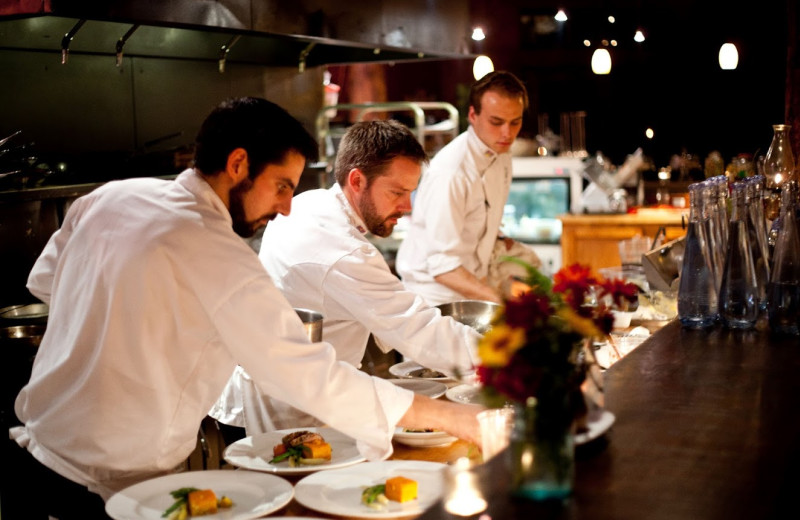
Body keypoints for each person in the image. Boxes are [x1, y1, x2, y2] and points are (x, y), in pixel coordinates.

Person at [5, 97, 481, 519]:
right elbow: (312, 376)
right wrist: (452, 418)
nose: (287, 207)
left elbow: (45, 283)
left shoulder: (113, 195)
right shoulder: (222, 257)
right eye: (280, 186)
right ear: (238, 164)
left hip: (31, 462)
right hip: (106, 489)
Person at [209, 120, 481, 436]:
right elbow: (418, 329)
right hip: (291, 409)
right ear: (357, 180)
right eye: (397, 192)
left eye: (411, 193)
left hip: (283, 389)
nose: (407, 207)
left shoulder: (311, 203)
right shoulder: (342, 251)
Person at [395, 71, 540, 306]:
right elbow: (442, 267)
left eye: (515, 122)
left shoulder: (501, 154)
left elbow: (479, 222)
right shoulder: (451, 172)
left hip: (471, 290)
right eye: (496, 122)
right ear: (473, 114)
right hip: (435, 299)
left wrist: (501, 242)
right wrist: (499, 303)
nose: (507, 133)